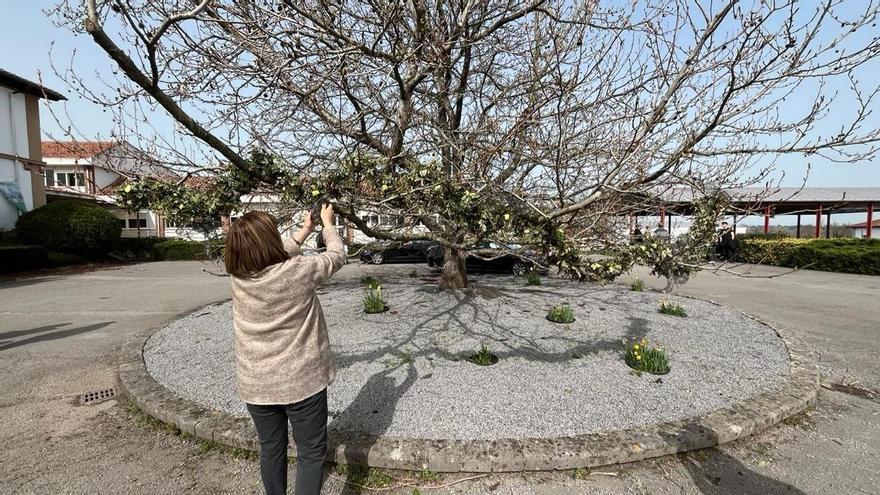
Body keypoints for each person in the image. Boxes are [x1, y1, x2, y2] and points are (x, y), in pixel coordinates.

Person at [224, 204, 345, 495]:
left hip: (257, 383)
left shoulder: (239, 277)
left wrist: (304, 231)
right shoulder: (299, 271)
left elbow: (277, 254)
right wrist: (328, 225)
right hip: (301, 381)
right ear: (269, 243)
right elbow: (337, 256)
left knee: (271, 448)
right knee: (311, 452)